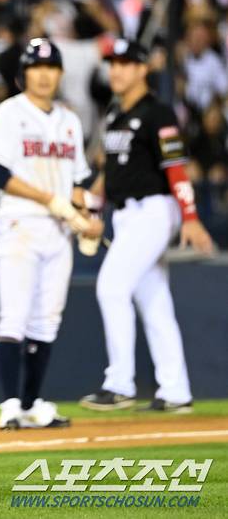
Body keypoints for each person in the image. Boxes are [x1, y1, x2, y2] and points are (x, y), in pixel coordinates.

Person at [80, 39, 214, 413]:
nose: (117, 70)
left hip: (154, 210)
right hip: (126, 214)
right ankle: (175, 391)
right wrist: (92, 205)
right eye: (113, 63)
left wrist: (190, 216)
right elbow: (111, 171)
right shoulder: (114, 113)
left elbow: (175, 167)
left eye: (125, 63)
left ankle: (120, 383)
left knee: (111, 287)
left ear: (142, 68)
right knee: (154, 301)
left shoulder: (159, 113)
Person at [0, 38, 103, 431]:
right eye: (36, 67)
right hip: (20, 223)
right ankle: (11, 404)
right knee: (14, 317)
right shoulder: (8, 114)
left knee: (46, 320)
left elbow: (80, 181)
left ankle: (31, 404)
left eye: (51, 67)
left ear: (60, 74)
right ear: (22, 75)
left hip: (59, 231)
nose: (44, 74)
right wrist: (52, 199)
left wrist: (89, 212)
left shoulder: (68, 120)